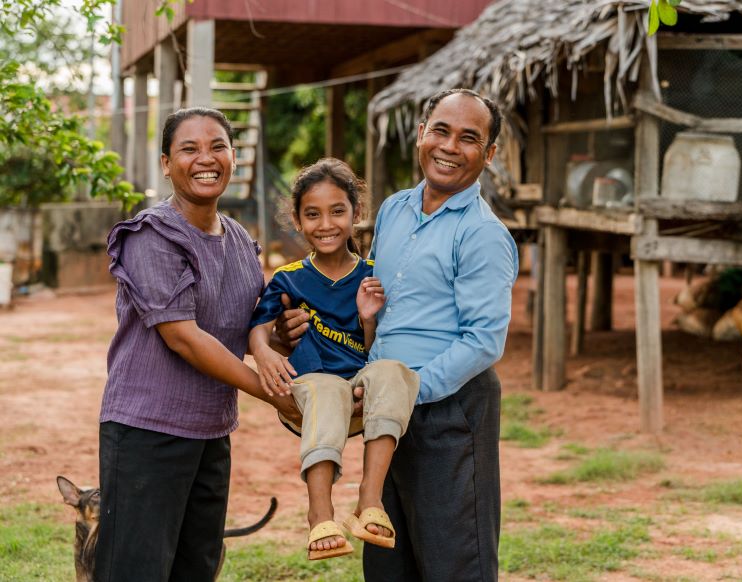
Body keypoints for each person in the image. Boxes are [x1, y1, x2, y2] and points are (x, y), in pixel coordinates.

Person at [278, 89, 519, 581]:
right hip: (385, 414)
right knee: (388, 559)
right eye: (441, 131)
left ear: (488, 155)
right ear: (421, 135)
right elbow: (379, 312)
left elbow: (483, 341)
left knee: (454, 562)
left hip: (449, 412)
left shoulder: (483, 234)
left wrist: (407, 392)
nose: (450, 146)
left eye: (469, 138)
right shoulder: (393, 210)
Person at [96, 107, 300, 581]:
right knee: (136, 570)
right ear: (167, 163)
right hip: (148, 432)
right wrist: (272, 392)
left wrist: (280, 339)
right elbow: (183, 337)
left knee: (197, 567)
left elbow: (246, 327)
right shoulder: (151, 235)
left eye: (218, 147)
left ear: (233, 157)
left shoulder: (240, 241)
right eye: (189, 149)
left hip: (211, 432)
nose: (205, 159)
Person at [247, 158, 419, 561]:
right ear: (297, 220)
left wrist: (367, 317)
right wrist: (263, 353)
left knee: (395, 372)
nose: (326, 223)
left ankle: (369, 500)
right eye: (313, 214)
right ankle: (319, 512)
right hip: (309, 396)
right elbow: (258, 327)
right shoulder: (289, 277)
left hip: (361, 399)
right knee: (325, 389)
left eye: (337, 211)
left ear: (356, 214)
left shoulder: (374, 276)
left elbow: (377, 350)